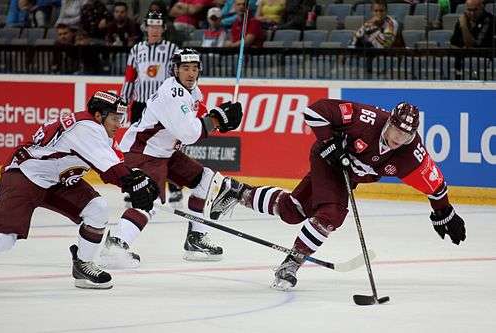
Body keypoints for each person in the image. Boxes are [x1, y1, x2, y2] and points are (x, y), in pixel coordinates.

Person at [208, 99, 467, 290]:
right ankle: (291, 263)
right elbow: (315, 111)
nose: (399, 139)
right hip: (326, 160)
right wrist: (330, 143)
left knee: (292, 211)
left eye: (406, 135)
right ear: (388, 123)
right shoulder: (366, 118)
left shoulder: (410, 153)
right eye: (396, 132)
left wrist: (443, 211)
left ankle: (238, 191)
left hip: (347, 175)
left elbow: (434, 184)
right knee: (332, 213)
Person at [0, 91, 159, 289]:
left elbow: (118, 163)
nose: (119, 124)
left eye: (121, 118)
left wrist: (143, 182)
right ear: (99, 115)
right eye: (115, 118)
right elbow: (111, 171)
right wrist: (134, 185)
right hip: (25, 176)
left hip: (58, 180)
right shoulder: (85, 127)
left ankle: (83, 265)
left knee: (97, 208)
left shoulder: (101, 132)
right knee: (3, 240)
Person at [99, 48, 243, 266]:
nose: (191, 73)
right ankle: (116, 244)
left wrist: (220, 119)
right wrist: (216, 120)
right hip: (142, 152)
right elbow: (189, 133)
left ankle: (196, 239)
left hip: (165, 152)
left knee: (207, 180)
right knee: (149, 198)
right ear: (175, 70)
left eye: (195, 68)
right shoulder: (171, 93)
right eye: (185, 68)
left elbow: (197, 123)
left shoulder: (193, 92)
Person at [120, 11, 179, 124]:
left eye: (158, 27)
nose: (155, 30)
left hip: (163, 104)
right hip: (140, 104)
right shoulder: (136, 49)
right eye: (151, 27)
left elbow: (177, 79)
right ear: (146, 28)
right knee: (136, 138)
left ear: (164, 28)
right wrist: (123, 106)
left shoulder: (172, 49)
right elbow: (129, 79)